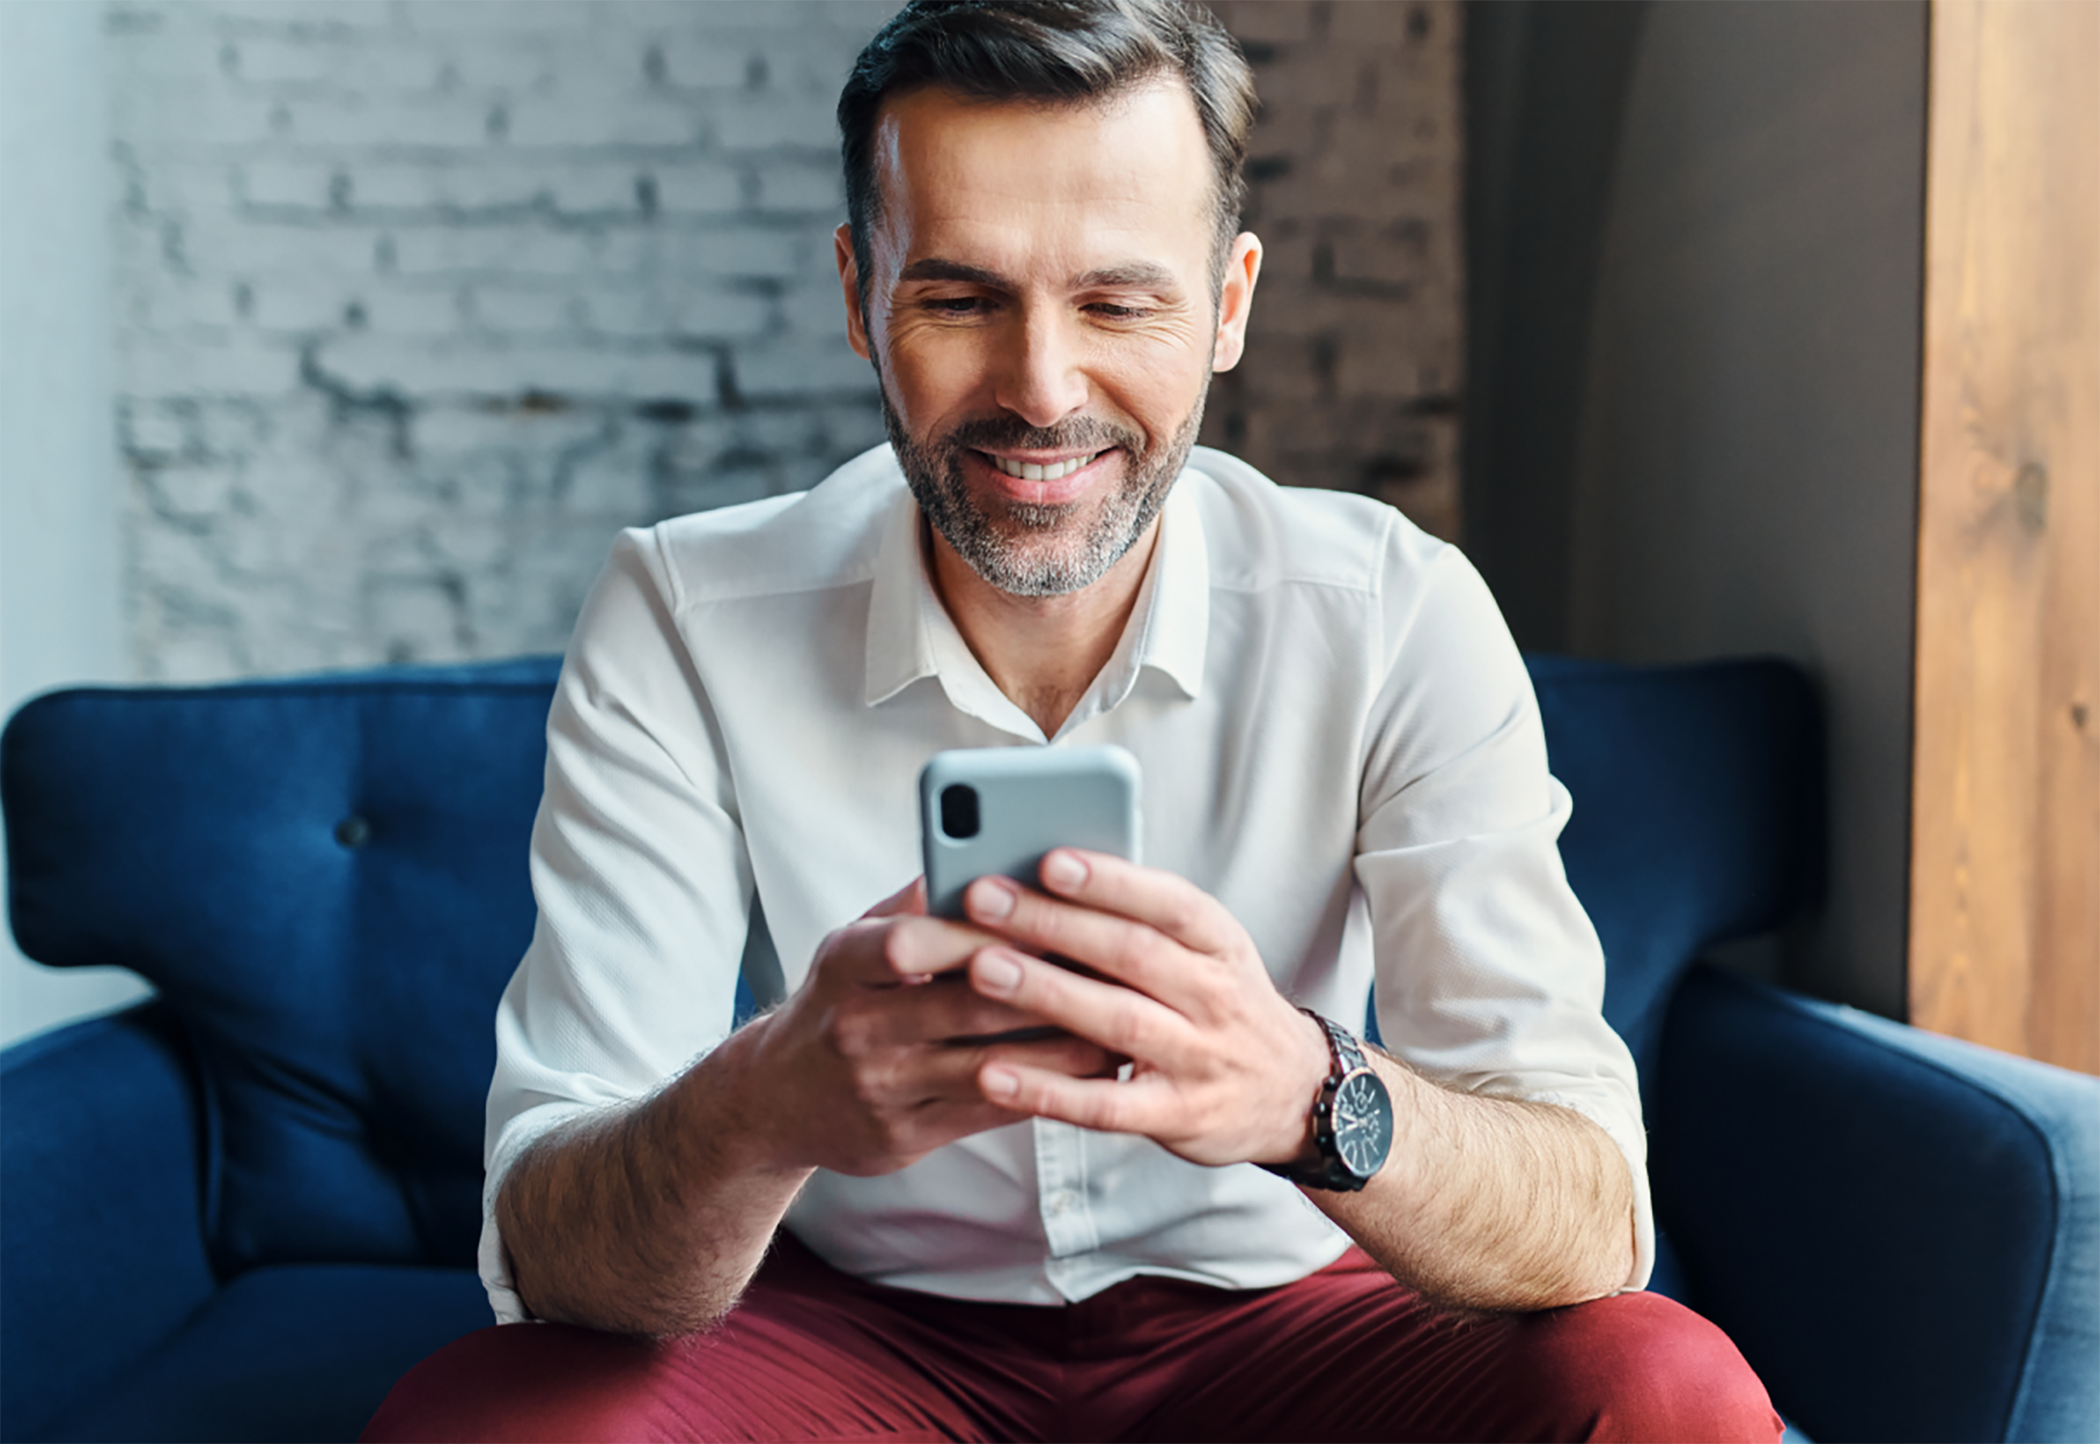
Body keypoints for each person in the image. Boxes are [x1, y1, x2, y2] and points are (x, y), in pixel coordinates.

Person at [366, 1, 1782, 1439]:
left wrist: (1308, 1091)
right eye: (961, 299)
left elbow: (1592, 1219)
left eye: (1117, 303)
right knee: (483, 1422)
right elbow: (551, 1249)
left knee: (1667, 1398)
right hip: (862, 1336)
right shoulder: (683, 611)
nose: (1042, 392)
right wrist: (763, 1105)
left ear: (1229, 306)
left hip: (1302, 1317)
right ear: (860, 293)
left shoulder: (1395, 612)